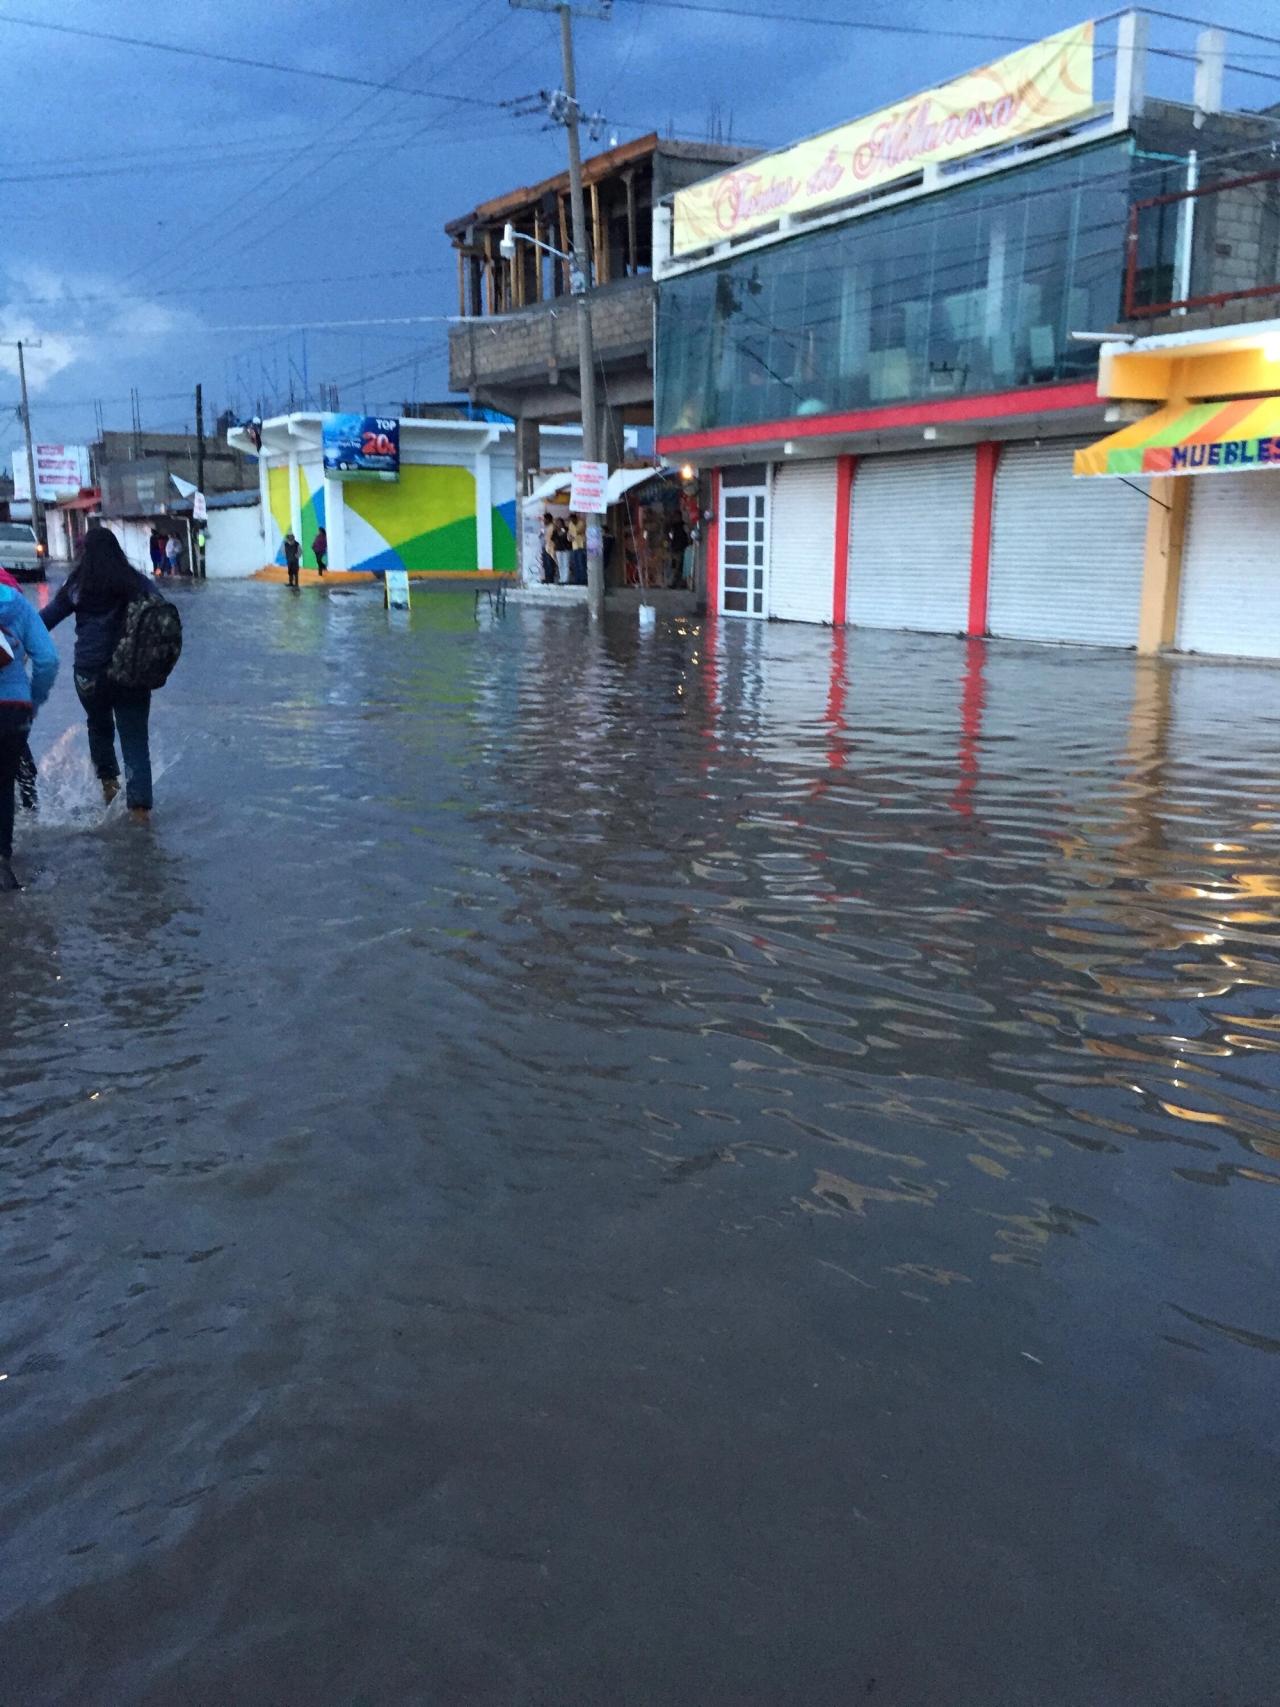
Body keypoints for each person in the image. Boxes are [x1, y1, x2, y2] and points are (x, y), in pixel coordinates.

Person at [42, 526, 156, 818]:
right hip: (130, 672)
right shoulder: (134, 582)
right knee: (135, 739)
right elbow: (161, 610)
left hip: (88, 674)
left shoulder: (77, 586)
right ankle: (140, 815)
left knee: (99, 726)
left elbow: (45, 621)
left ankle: (109, 790)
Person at [0, 564, 58, 889]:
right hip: (14, 710)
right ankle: (2, 863)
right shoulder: (19, 604)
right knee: (3, 785)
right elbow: (48, 660)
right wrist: (32, 702)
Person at [568, 512, 587, 586]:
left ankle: (583, 579)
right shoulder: (570, 524)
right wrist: (569, 537)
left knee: (581, 563)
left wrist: (571, 535)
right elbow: (569, 533)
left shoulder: (581, 523)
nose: (571, 521)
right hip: (574, 546)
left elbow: (578, 531)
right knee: (575, 564)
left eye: (572, 519)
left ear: (575, 518)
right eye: (570, 520)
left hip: (581, 546)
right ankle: (577, 579)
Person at [540, 512, 558, 584]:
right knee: (545, 564)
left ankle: (550, 579)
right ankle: (547, 578)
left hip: (550, 548)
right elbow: (542, 536)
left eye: (544, 519)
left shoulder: (553, 527)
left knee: (549, 563)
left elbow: (554, 537)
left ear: (548, 519)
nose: (543, 521)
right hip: (545, 547)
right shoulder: (545, 527)